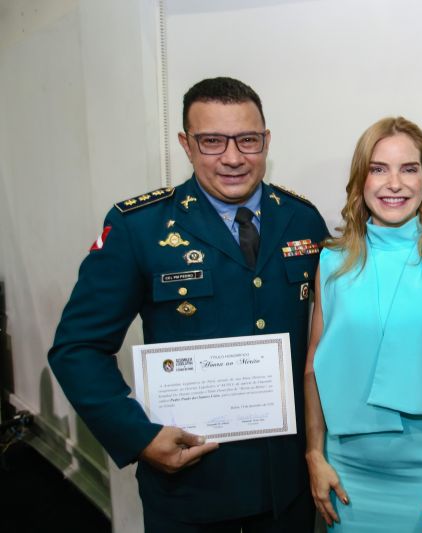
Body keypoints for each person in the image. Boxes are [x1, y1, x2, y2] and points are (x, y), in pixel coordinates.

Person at [48, 77, 328, 532]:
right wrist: (140, 438)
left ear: (266, 141)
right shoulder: (139, 227)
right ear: (186, 144)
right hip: (190, 486)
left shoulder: (302, 219)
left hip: (286, 485)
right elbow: (77, 348)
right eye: (213, 141)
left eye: (248, 140)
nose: (233, 158)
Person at [304, 117, 422, 532]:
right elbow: (314, 365)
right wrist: (314, 455)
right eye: (379, 168)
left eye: (409, 168)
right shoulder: (331, 261)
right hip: (346, 474)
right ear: (360, 179)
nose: (394, 183)